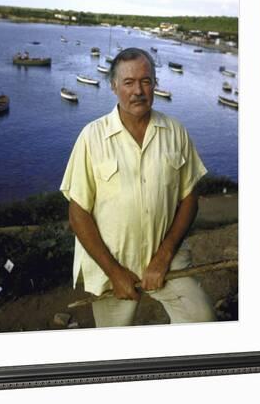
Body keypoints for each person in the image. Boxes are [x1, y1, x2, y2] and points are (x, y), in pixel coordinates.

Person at [60, 47, 216, 327]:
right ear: (114, 86)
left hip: (167, 261)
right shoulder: (91, 137)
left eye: (145, 81)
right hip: (112, 266)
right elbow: (77, 214)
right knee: (115, 348)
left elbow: (189, 199)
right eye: (128, 82)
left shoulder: (175, 132)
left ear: (155, 84)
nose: (137, 91)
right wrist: (114, 271)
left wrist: (165, 254)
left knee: (201, 319)